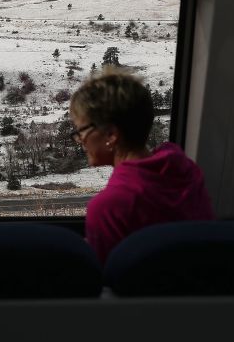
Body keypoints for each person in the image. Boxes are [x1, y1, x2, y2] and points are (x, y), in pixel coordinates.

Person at [69, 67, 214, 263]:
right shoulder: (185, 170)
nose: (80, 140)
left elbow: (101, 280)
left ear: (111, 135)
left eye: (82, 131)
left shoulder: (108, 207)